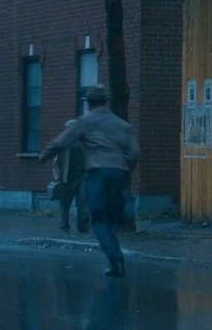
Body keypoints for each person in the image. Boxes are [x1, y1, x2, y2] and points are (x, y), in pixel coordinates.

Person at [39, 85, 140, 278]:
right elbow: (135, 153)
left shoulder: (84, 122)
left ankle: (115, 260)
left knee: (99, 219)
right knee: (113, 217)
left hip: (97, 173)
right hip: (119, 173)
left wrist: (45, 154)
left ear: (89, 103)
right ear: (105, 101)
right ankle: (125, 207)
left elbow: (62, 142)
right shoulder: (122, 124)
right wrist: (125, 170)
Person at [51, 119, 90, 233]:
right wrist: (58, 178)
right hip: (67, 178)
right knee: (65, 203)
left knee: (83, 203)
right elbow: (56, 163)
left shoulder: (84, 144)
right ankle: (64, 226)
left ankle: (83, 226)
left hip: (83, 177)